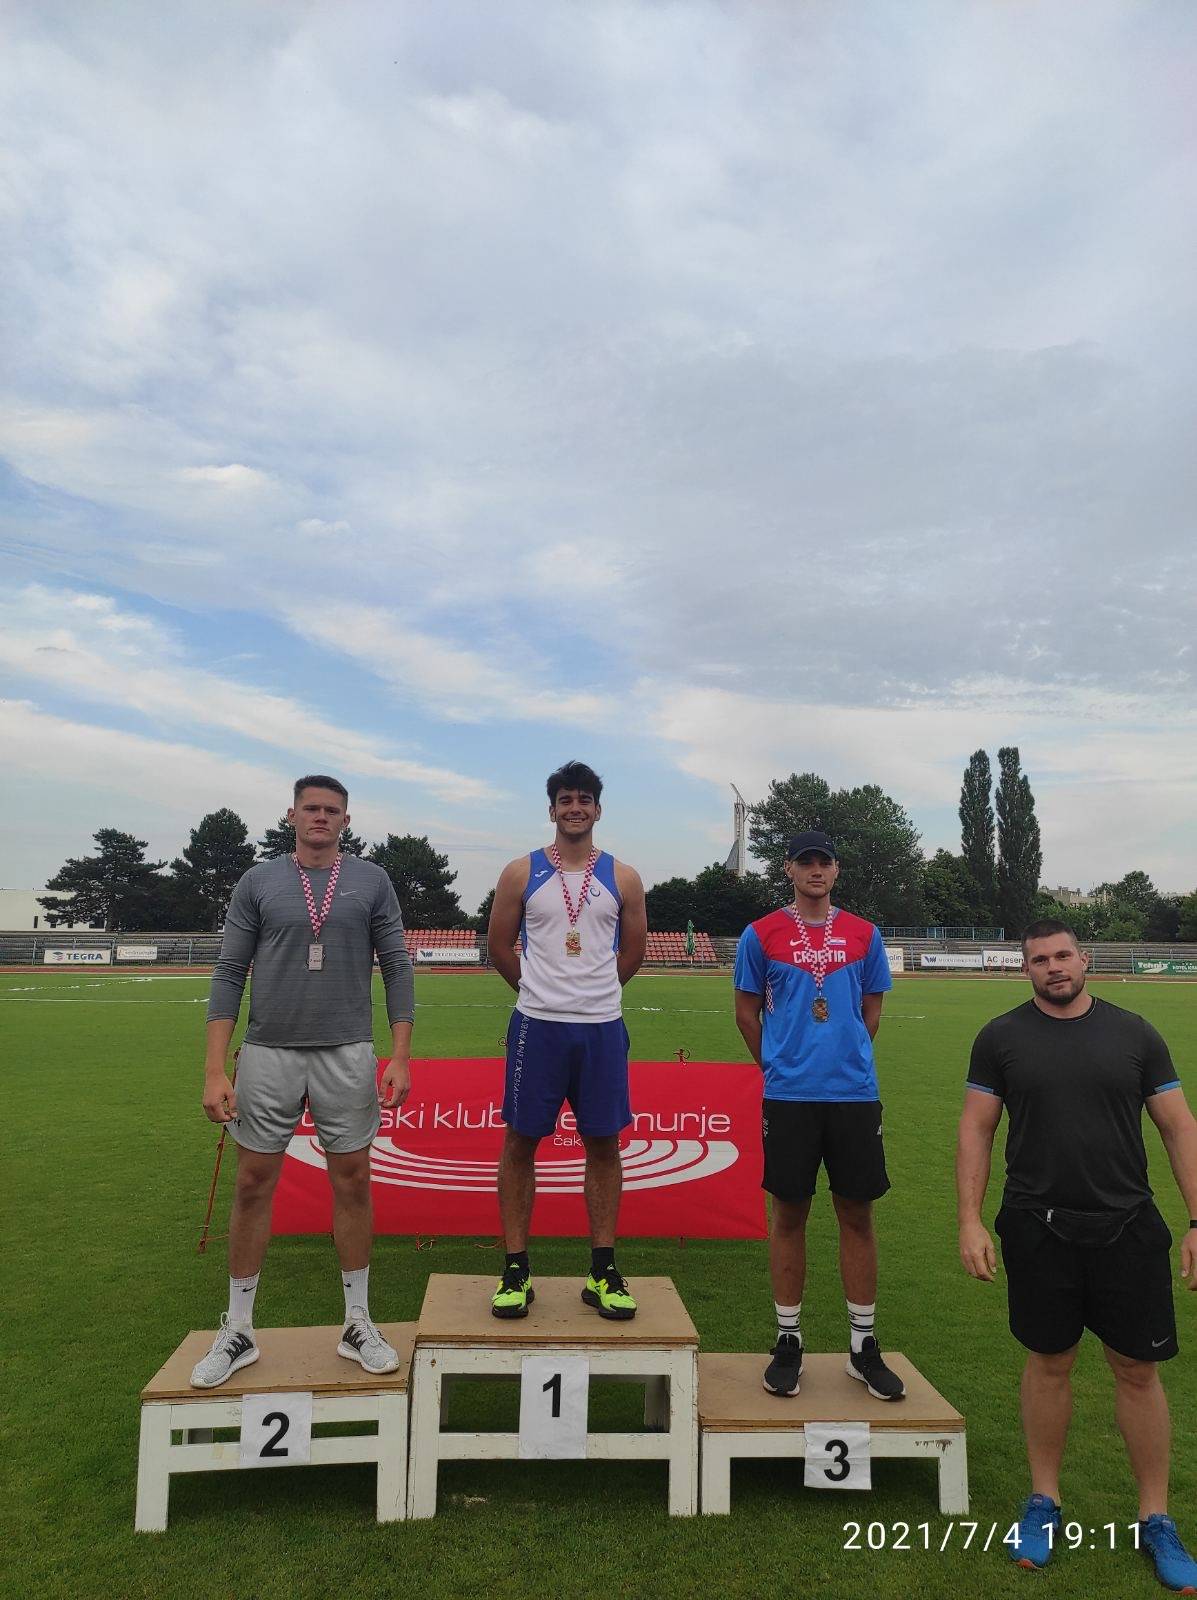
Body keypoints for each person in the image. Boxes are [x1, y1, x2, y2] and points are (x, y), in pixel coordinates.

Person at [957, 919, 1197, 1587]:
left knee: (1138, 1371)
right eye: (1040, 959)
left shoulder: (1135, 1034)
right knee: (1048, 1362)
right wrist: (969, 1220)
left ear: (1083, 959)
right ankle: (1043, 1501)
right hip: (1037, 1228)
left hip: (1127, 1227)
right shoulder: (1000, 1038)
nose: (1053, 967)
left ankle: (1155, 1518)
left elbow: (1179, 1127)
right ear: (1024, 969)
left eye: (1063, 955)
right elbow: (976, 1128)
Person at [191, 775, 415, 1387]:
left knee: (354, 1178)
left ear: (346, 820)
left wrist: (399, 1056)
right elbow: (229, 971)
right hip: (270, 1050)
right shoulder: (258, 881)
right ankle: (239, 1328)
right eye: (311, 808)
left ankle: (357, 1321)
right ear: (291, 815)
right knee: (253, 1182)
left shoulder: (372, 880)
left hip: (347, 1049)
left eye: (332, 810)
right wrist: (215, 1068)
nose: (321, 817)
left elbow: (397, 966)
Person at [734, 830, 903, 1401]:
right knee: (789, 1214)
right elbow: (746, 1012)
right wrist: (779, 1065)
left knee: (857, 1214)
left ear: (835, 870)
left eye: (824, 861)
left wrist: (844, 1058)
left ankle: (863, 1346)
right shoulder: (760, 934)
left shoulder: (864, 934)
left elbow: (872, 1010)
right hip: (789, 1096)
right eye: (805, 861)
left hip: (853, 1094)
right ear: (788, 868)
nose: (815, 870)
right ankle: (788, 1340)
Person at [486, 760, 647, 1320]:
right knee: (520, 1142)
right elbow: (499, 946)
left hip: (601, 1027)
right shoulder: (519, 872)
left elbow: (633, 951)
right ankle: (515, 1269)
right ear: (552, 809)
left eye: (584, 799)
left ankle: (603, 1270)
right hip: (537, 1026)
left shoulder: (624, 877)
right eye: (565, 800)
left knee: (604, 1144)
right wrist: (539, 991)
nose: (574, 808)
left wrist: (594, 993)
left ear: (598, 809)